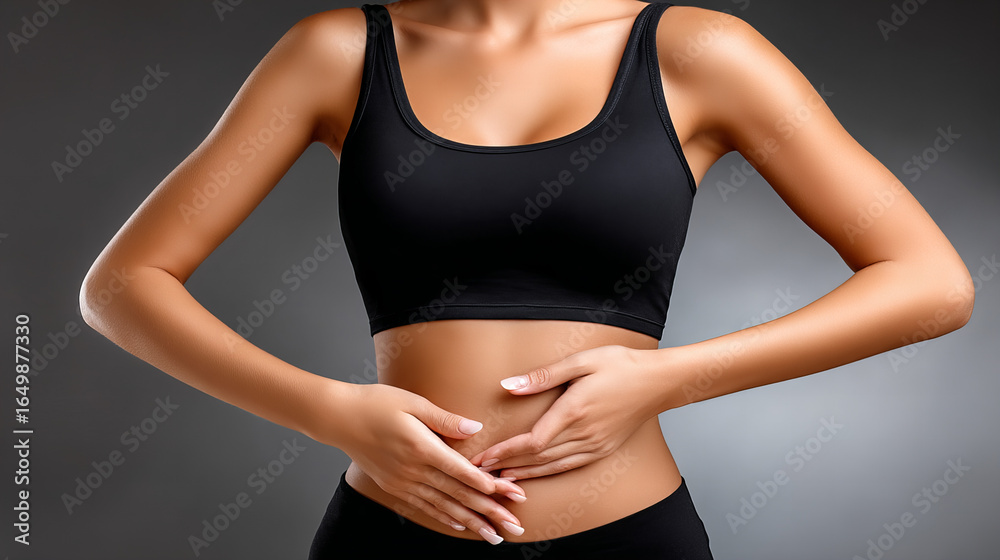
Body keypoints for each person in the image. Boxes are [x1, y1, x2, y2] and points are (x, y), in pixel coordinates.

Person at [79, 0, 975, 558]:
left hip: (629, 541)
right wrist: (329, 410)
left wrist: (664, 380)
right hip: (394, 535)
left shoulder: (699, 51)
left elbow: (930, 282)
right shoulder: (339, 50)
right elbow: (122, 286)